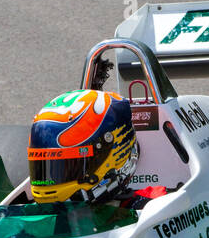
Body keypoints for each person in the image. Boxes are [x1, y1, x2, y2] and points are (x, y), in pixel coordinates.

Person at [27, 89, 167, 208]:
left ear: (114, 157)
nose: (50, 186)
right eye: (43, 169)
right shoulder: (30, 224)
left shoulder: (158, 209)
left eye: (71, 168)